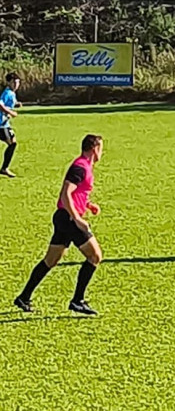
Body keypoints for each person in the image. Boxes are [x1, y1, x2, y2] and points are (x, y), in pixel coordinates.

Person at [14, 135, 105, 315]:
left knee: (50, 260)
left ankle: (23, 297)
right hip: (69, 219)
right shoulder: (80, 167)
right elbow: (65, 194)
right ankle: (77, 301)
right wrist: (77, 219)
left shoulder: (85, 166)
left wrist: (87, 205)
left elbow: (76, 193)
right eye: (101, 148)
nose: (102, 152)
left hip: (64, 217)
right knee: (95, 256)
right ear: (94, 149)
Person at [0, 72, 21, 178]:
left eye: (17, 82)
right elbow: (0, 104)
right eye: (14, 82)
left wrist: (16, 104)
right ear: (9, 83)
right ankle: (4, 168)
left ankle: (4, 168)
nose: (16, 84)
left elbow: (9, 103)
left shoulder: (12, 93)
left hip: (4, 123)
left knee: (13, 142)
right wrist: (11, 113)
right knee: (12, 143)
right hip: (1, 124)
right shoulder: (7, 92)